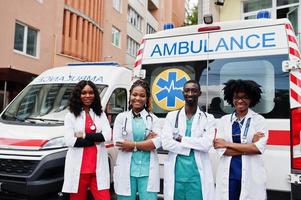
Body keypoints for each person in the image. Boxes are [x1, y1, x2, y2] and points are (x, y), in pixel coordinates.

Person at [214, 79, 268, 200]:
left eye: (244, 97)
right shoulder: (224, 120)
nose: (240, 100)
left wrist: (227, 143)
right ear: (231, 100)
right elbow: (221, 149)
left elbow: (258, 148)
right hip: (229, 174)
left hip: (251, 173)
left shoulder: (259, 120)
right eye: (236, 97)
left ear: (251, 99)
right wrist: (249, 146)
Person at [162, 80, 215, 200]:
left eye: (194, 90)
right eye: (187, 90)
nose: (190, 93)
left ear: (199, 93)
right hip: (176, 175)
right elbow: (166, 143)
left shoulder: (208, 118)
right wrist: (195, 144)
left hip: (196, 176)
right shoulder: (172, 116)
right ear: (183, 93)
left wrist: (181, 139)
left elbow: (207, 144)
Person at [62, 80, 111, 200]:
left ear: (95, 95)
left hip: (98, 168)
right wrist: (96, 138)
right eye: (83, 93)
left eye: (91, 92)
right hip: (78, 171)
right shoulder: (71, 116)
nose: (87, 96)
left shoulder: (100, 114)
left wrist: (83, 135)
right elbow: (70, 141)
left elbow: (107, 136)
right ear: (78, 95)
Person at [113, 79, 161, 200]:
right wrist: (145, 142)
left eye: (142, 95)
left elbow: (157, 143)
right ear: (130, 96)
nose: (137, 98)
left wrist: (132, 145)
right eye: (134, 94)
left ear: (146, 98)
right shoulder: (121, 117)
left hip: (147, 171)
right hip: (126, 170)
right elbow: (117, 143)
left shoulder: (153, 119)